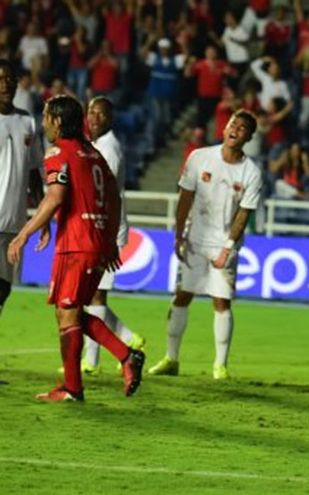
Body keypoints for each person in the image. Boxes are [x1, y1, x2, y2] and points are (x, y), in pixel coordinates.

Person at [6, 95, 146, 402]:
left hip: (77, 244)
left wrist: (23, 235)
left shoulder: (59, 152)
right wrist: (109, 241)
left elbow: (54, 197)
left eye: (45, 117)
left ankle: (78, 385)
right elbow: (115, 199)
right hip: (95, 243)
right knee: (69, 312)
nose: (43, 123)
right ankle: (120, 359)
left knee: (68, 314)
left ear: (57, 121)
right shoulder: (93, 153)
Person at [148, 110, 262, 380]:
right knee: (182, 295)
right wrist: (178, 234)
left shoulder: (251, 172)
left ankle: (220, 365)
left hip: (224, 243)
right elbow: (185, 197)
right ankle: (171, 358)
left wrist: (228, 247)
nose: (235, 128)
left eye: (242, 127)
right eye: (233, 123)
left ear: (249, 137)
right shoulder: (200, 157)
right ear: (225, 127)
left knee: (221, 301)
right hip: (195, 239)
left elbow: (243, 214)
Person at [80, 96, 146, 373]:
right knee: (89, 296)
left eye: (101, 113)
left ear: (110, 119)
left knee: (95, 297)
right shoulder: (95, 145)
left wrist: (112, 238)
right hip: (97, 228)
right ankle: (130, 339)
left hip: (106, 230)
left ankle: (91, 360)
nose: (94, 117)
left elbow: (106, 195)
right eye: (91, 111)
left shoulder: (110, 150)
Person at [0, 60, 43, 320]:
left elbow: (33, 171)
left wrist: (41, 213)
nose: (6, 84)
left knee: (4, 289)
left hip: (14, 223)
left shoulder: (27, 122)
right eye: (1, 78)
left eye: (10, 79)